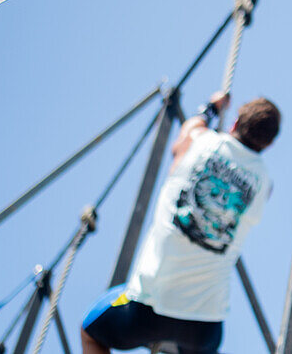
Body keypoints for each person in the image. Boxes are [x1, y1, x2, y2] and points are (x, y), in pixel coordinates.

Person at [80, 92, 280, 354]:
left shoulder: (200, 142)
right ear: (268, 144)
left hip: (148, 307)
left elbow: (189, 131)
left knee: (91, 331)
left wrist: (212, 107)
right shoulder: (264, 184)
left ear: (233, 124)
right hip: (204, 326)